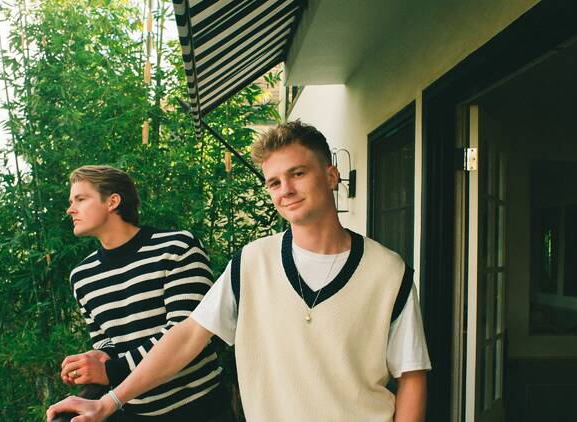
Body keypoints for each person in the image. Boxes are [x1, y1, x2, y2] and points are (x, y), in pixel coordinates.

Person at [48, 123, 431, 422]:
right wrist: (109, 403)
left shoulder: (387, 270)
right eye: (274, 182)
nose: (286, 190)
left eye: (298, 174)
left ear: (330, 176)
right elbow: (186, 338)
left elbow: (411, 373)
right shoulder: (251, 264)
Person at [60, 165, 229, 421]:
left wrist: (111, 370)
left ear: (112, 201)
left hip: (199, 408)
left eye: (80, 199)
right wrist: (99, 357)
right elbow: (106, 340)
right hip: (134, 411)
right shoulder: (82, 276)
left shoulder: (178, 248)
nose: (70, 209)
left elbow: (187, 334)